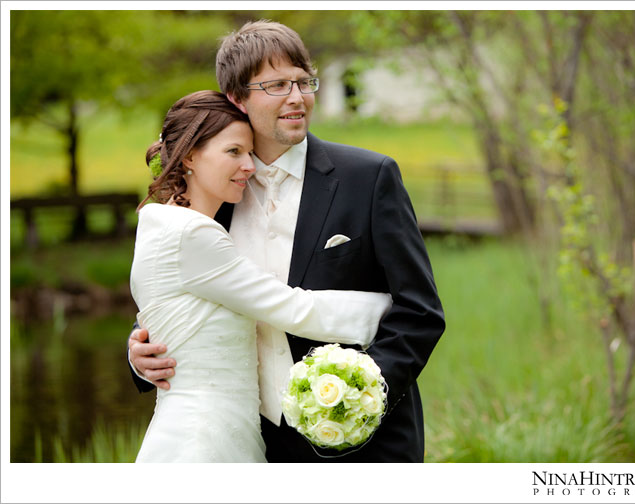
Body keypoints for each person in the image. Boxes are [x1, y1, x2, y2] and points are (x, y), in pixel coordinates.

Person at [129, 20, 445, 462]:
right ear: (237, 98)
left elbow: (419, 311)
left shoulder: (368, 178)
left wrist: (364, 397)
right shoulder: (215, 192)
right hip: (255, 441)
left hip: (365, 448)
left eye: (304, 81)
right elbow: (178, 293)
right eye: (277, 85)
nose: (297, 97)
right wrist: (141, 353)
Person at [130, 90, 392, 462]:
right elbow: (291, 308)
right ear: (189, 155)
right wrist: (390, 305)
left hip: (208, 426)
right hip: (206, 437)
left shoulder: (160, 224)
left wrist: (138, 347)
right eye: (233, 152)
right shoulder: (193, 235)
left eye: (249, 152)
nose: (250, 165)